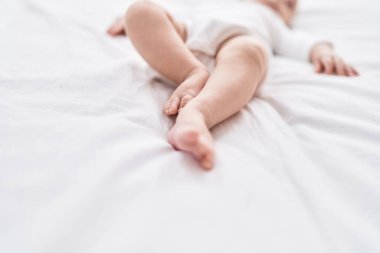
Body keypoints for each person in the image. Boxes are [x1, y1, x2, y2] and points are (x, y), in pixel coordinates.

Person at [107, 0, 359, 170]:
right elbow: (170, 15)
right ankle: (191, 72)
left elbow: (304, 42)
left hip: (235, 46)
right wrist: (132, 21)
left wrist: (323, 51)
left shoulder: (272, 21)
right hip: (184, 43)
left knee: (253, 50)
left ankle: (197, 115)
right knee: (140, 9)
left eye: (289, 4)